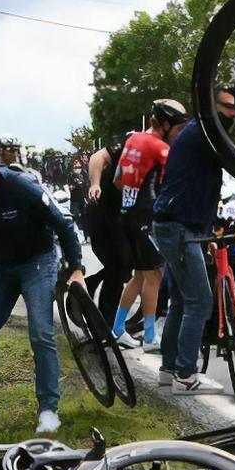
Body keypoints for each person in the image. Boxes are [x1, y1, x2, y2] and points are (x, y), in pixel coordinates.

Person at [0, 136, 84, 434]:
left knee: (40, 333)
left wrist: (76, 269)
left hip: (38, 261)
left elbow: (63, 225)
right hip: (3, 266)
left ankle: (49, 409)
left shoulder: (20, 187)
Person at [151, 85, 235, 395]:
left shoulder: (200, 134)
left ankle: (168, 369)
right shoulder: (205, 134)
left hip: (177, 227)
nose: (231, 114)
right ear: (210, 108)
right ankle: (186, 375)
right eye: (226, 106)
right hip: (178, 229)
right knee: (200, 301)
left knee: (181, 300)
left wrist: (206, 232)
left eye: (234, 108)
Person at [111, 99, 190, 353]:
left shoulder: (133, 140)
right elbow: (171, 188)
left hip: (127, 213)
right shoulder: (161, 149)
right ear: (166, 124)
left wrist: (132, 198)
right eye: (177, 127)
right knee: (155, 275)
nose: (178, 133)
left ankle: (117, 329)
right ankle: (149, 337)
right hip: (146, 216)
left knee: (140, 276)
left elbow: (117, 180)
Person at [84, 131, 134, 326]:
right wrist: (95, 184)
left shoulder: (167, 151)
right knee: (118, 265)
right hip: (104, 214)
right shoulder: (132, 143)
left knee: (131, 266)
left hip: (128, 218)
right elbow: (98, 157)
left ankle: (90, 285)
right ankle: (107, 323)